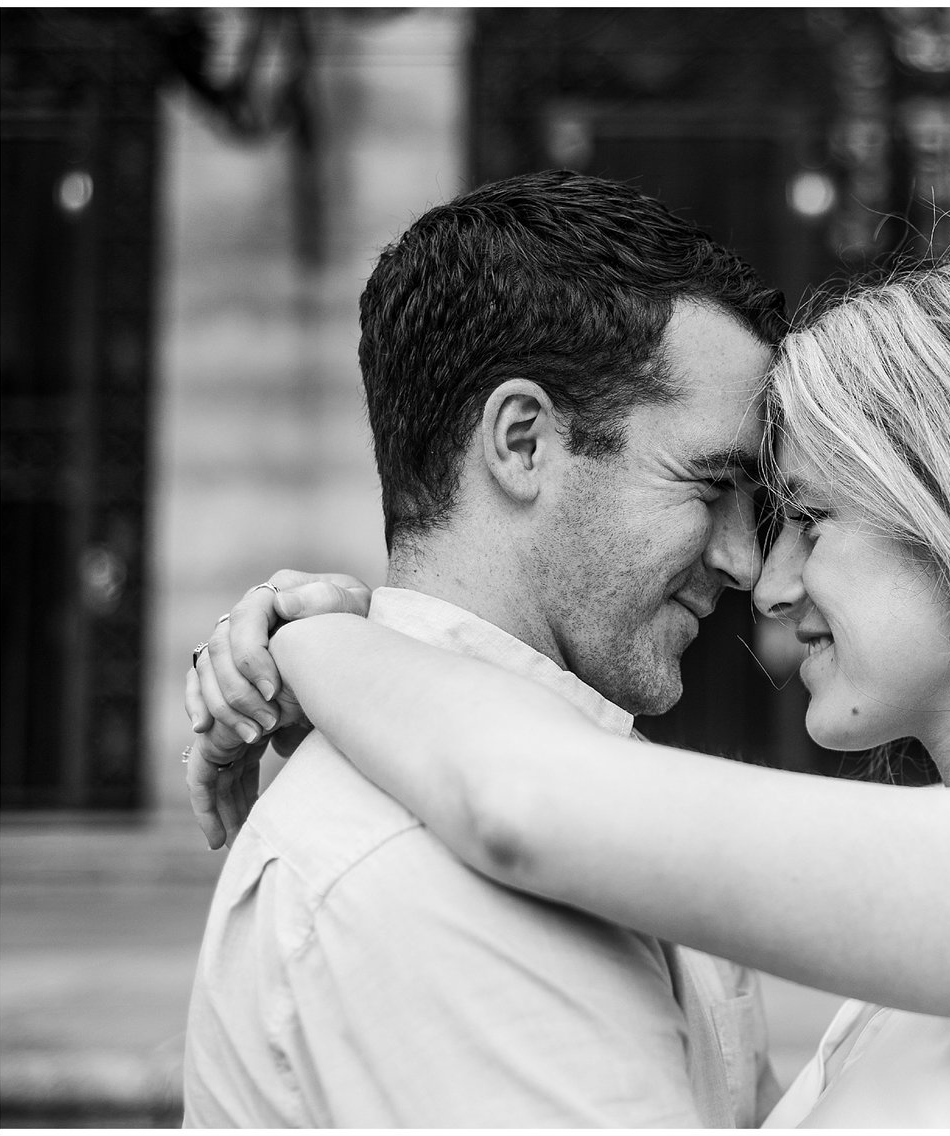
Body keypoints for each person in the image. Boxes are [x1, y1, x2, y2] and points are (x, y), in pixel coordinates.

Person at [191, 241, 950, 1126]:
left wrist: (319, 639)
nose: (763, 576)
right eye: (739, 502)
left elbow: (520, 799)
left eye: (803, 514)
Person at [174, 170, 786, 1126]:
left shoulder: (592, 791)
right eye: (711, 487)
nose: (747, 562)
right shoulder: (425, 876)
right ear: (523, 442)